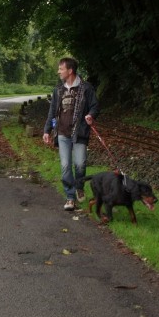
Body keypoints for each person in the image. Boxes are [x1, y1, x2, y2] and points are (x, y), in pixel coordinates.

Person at [42, 57, 100, 211]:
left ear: (70, 70)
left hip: (80, 132)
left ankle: (79, 186)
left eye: (61, 69)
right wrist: (47, 130)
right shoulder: (58, 90)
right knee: (65, 165)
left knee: (80, 164)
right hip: (62, 133)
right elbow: (52, 111)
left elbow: (95, 106)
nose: (58, 72)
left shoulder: (86, 88)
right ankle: (70, 197)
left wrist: (91, 115)